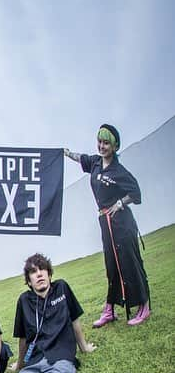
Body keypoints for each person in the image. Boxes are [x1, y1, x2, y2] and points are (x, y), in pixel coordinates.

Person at [65, 124, 151, 326]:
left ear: (114, 147)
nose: (101, 146)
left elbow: (136, 194)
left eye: (106, 143)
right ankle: (110, 308)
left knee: (130, 261)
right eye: (100, 142)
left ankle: (144, 306)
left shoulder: (119, 171)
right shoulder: (95, 163)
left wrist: (121, 203)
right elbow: (81, 158)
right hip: (105, 222)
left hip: (122, 223)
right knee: (111, 265)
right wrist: (66, 153)